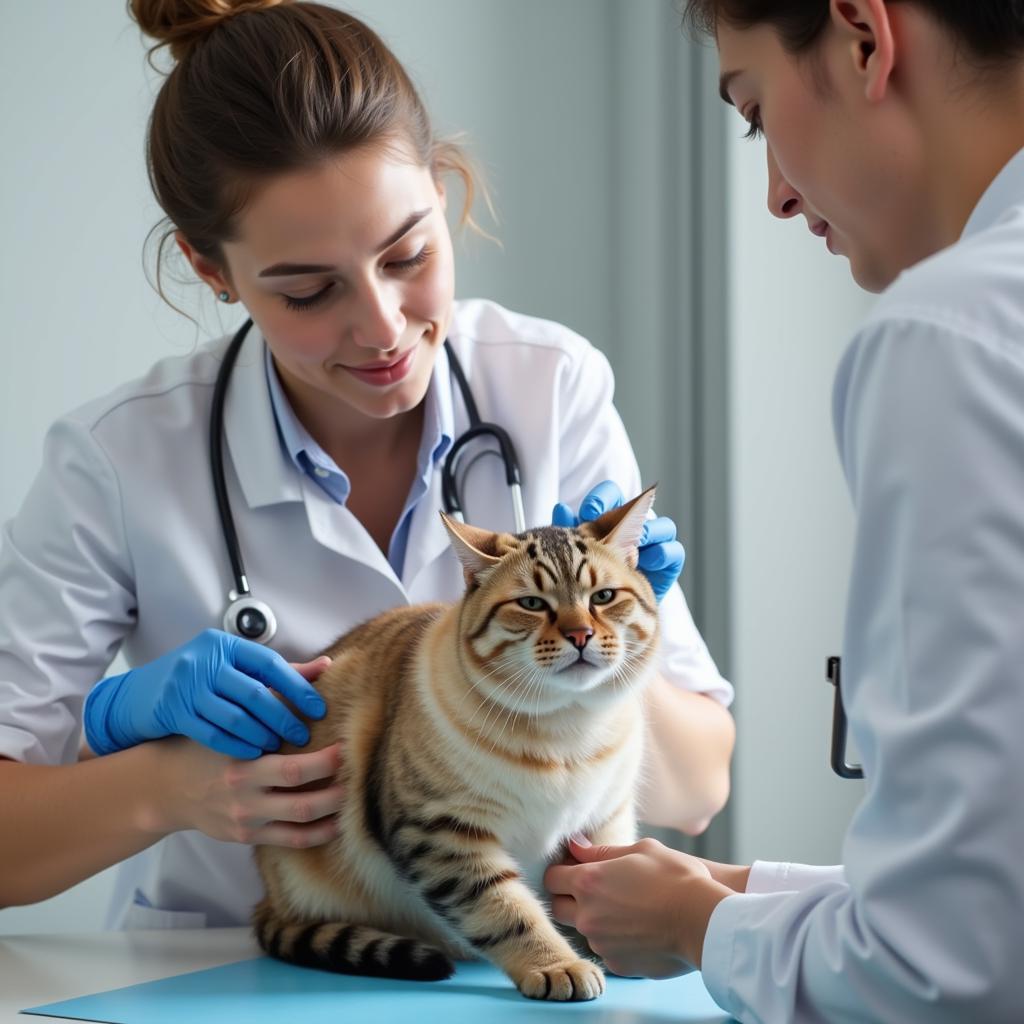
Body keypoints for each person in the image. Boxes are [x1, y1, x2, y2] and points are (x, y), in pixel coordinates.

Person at [0, 0, 735, 930]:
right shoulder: (117, 458)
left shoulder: (548, 386)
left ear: (441, 188)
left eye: (409, 253)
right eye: (308, 290)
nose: (383, 328)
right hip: (223, 975)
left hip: (501, 972)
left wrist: (611, 644)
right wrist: (169, 783)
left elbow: (699, 784)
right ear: (210, 267)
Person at [545, 1, 1024, 1020]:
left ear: (862, 35)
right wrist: (736, 893)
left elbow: (947, 968)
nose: (770, 194)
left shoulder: (952, 336)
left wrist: (699, 928)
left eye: (754, 113)